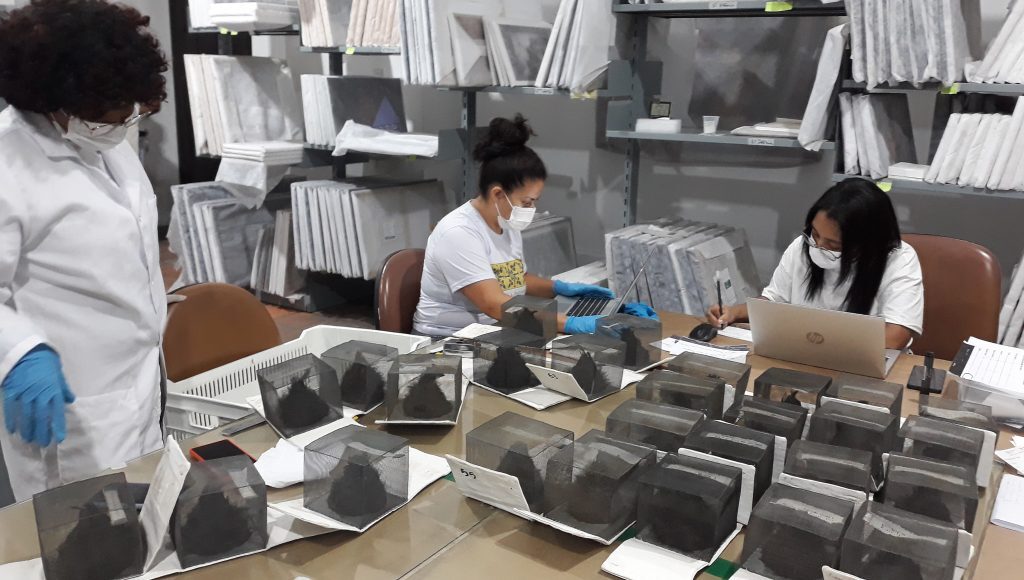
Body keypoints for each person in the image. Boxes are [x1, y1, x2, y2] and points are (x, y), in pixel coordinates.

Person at [0, 0, 169, 501]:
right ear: (54, 99)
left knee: (144, 517)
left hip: (138, 383)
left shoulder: (106, 145)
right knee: (82, 532)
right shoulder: (8, 163)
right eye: (109, 111)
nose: (124, 120)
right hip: (70, 404)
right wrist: (20, 354)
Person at [414, 114, 656, 337]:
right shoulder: (458, 232)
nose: (530, 209)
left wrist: (562, 289)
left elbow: (515, 279)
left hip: (494, 330)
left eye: (534, 202)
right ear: (498, 194)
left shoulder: (505, 222)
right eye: (526, 202)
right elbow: (494, 304)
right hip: (447, 341)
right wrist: (573, 323)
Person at [708, 178, 923, 350]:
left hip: (868, 369)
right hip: (803, 355)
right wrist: (734, 312)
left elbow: (895, 337)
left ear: (867, 244)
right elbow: (773, 301)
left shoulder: (898, 260)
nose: (818, 246)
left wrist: (820, 342)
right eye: (815, 233)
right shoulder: (803, 246)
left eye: (833, 244)